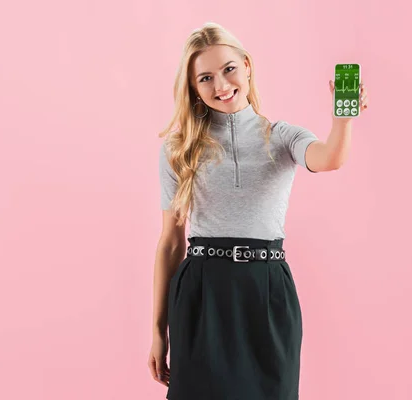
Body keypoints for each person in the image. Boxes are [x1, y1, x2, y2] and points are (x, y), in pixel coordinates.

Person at [148, 22, 368, 400]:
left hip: (267, 289)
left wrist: (341, 122)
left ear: (247, 66)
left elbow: (329, 158)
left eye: (229, 69)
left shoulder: (283, 136)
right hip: (202, 293)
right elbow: (170, 242)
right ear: (194, 88)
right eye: (205, 78)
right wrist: (157, 330)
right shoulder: (177, 148)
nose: (221, 86)